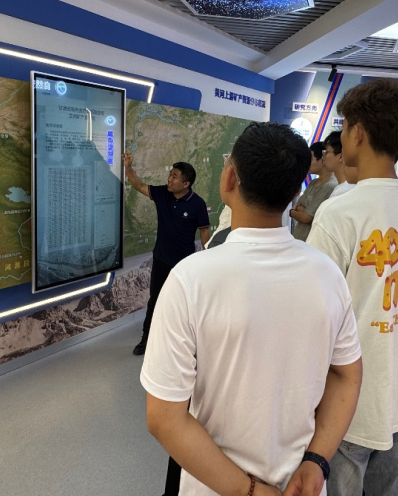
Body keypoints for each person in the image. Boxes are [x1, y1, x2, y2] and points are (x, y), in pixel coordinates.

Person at [141, 121, 363, 496]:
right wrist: (317, 460)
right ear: (296, 192)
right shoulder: (327, 274)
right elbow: (347, 375)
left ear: (229, 179)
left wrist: (250, 491)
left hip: (213, 487)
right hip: (300, 485)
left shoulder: (190, 279)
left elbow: (164, 418)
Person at [306, 79, 398, 496]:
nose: (343, 135)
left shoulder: (339, 212)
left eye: (345, 127)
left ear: (358, 133)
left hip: (348, 401)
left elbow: (315, 313)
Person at [122, 153, 210, 356]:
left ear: (186, 183)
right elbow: (138, 185)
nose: (169, 179)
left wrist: (207, 259)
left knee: (183, 305)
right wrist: (128, 167)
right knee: (155, 301)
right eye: (170, 174)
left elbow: (204, 233)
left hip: (184, 264)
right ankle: (147, 339)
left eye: (174, 176)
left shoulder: (197, 204)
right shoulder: (162, 193)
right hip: (161, 259)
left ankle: (183, 342)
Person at [290, 142, 337, 240]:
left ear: (323, 159)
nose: (308, 163)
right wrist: (296, 211)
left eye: (311, 159)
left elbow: (306, 218)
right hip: (299, 239)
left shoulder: (329, 186)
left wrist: (292, 212)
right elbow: (297, 206)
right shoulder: (313, 182)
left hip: (310, 242)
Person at [323, 131, 355, 198]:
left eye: (326, 152)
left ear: (341, 156)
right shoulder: (348, 187)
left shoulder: (341, 192)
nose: (323, 157)